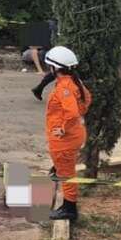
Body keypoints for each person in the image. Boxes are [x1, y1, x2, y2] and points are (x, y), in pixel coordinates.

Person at [44, 46, 92, 222]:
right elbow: (87, 99)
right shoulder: (73, 82)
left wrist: (63, 127)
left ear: (55, 68)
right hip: (74, 135)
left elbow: (71, 113)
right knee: (64, 170)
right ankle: (67, 203)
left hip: (64, 140)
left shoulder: (64, 87)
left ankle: (69, 209)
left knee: (66, 174)